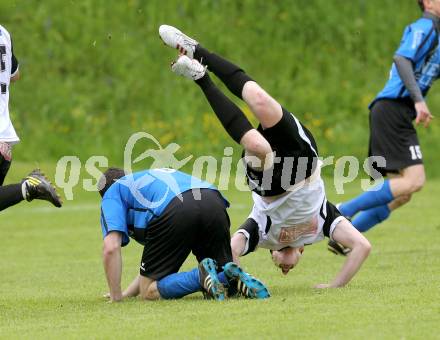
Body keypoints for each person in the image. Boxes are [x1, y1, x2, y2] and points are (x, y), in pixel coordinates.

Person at [159, 25, 371, 288]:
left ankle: (200, 77)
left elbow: (231, 248)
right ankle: (197, 50)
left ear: (271, 252)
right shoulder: (322, 223)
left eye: (277, 262)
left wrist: (235, 278)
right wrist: (335, 285)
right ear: (302, 252)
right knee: (259, 99)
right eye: (288, 266)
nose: (284, 267)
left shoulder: (263, 233)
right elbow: (362, 246)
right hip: (303, 162)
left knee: (259, 148)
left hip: (268, 182)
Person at [327, 0, 437, 250]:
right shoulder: (424, 27)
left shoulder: (437, 37)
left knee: (404, 193)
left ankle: (346, 237)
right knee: (415, 181)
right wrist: (419, 101)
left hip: (396, 112)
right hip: (392, 109)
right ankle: (343, 210)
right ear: (428, 3)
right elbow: (401, 59)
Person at [98, 167, 270, 302]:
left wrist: (116, 297)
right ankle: (231, 278)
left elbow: (111, 248)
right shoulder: (148, 177)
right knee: (224, 279)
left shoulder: (114, 190)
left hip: (175, 208)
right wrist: (127, 293)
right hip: (212, 199)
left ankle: (199, 276)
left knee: (148, 291)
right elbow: (151, 270)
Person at [0, 24, 61, 210]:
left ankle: (29, 186)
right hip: (4, 139)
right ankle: (27, 187)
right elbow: (14, 74)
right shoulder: (3, 33)